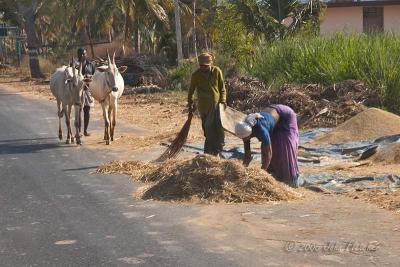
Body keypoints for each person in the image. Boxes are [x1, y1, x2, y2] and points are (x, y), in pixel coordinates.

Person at [234, 105, 303, 187]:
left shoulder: (261, 129)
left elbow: (268, 153)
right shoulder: (246, 129)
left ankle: (294, 178)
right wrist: (242, 171)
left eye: (245, 138)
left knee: (284, 149)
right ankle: (275, 174)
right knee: (272, 146)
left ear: (250, 133)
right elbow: (247, 155)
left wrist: (261, 174)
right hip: (272, 115)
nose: (244, 140)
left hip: (286, 116)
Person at [188, 53, 227, 156]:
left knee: (215, 127)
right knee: (206, 128)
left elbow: (222, 88)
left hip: (216, 104)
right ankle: (211, 151)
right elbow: (191, 91)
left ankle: (215, 150)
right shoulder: (196, 75)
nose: (203, 67)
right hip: (203, 106)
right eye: (201, 65)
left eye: (206, 65)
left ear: (210, 64)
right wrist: (190, 104)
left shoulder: (216, 71)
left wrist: (223, 101)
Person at [77, 48, 96, 136]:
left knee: (87, 110)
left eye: (83, 54)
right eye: (80, 54)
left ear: (86, 54)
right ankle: (79, 131)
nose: (82, 55)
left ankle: (85, 131)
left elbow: (94, 76)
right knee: (79, 110)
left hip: (88, 90)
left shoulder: (91, 65)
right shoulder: (74, 65)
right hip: (78, 91)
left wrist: (89, 76)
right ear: (78, 55)